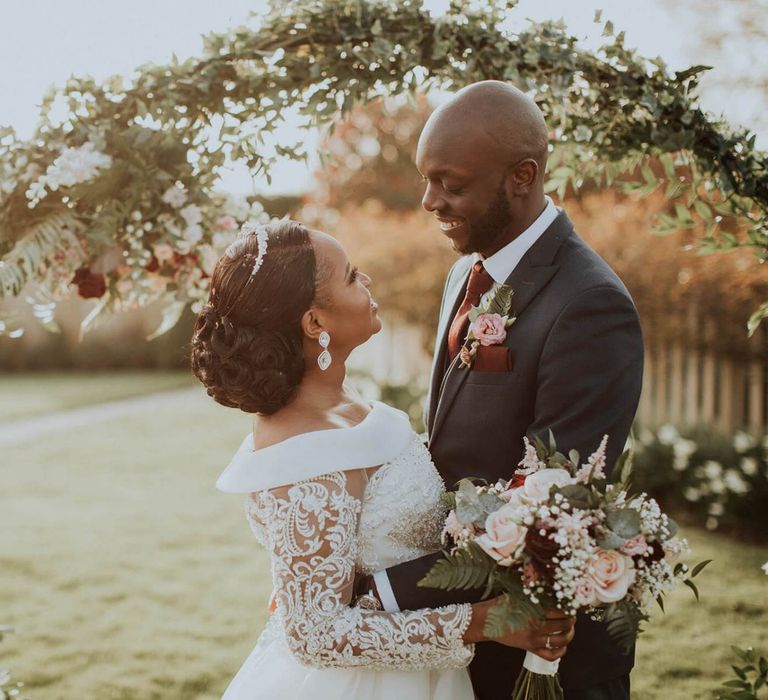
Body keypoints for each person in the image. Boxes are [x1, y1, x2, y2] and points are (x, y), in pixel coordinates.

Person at [190, 219, 576, 700]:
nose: (366, 279)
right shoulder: (307, 449)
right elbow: (315, 635)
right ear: (315, 323)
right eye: (351, 276)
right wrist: (482, 622)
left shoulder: (344, 407)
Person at [363, 81, 645, 700]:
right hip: (465, 640)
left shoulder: (589, 303)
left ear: (522, 176)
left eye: (451, 183)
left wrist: (381, 591)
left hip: (543, 651)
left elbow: (547, 511)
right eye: (426, 179)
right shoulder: (466, 271)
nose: (429, 201)